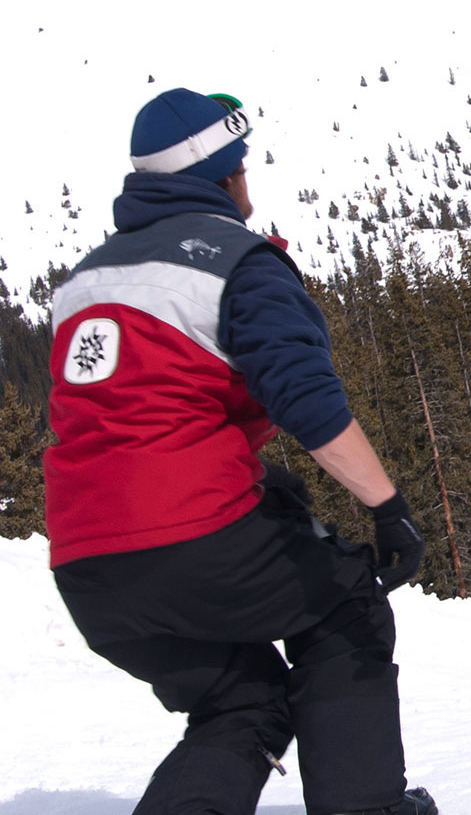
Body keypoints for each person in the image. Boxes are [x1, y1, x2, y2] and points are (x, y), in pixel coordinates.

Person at [44, 89, 437, 815]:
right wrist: (390, 511)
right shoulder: (237, 264)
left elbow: (118, 420)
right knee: (345, 604)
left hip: (86, 567)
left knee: (242, 700)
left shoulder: (85, 282)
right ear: (225, 176)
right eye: (243, 164)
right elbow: (309, 405)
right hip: (191, 534)